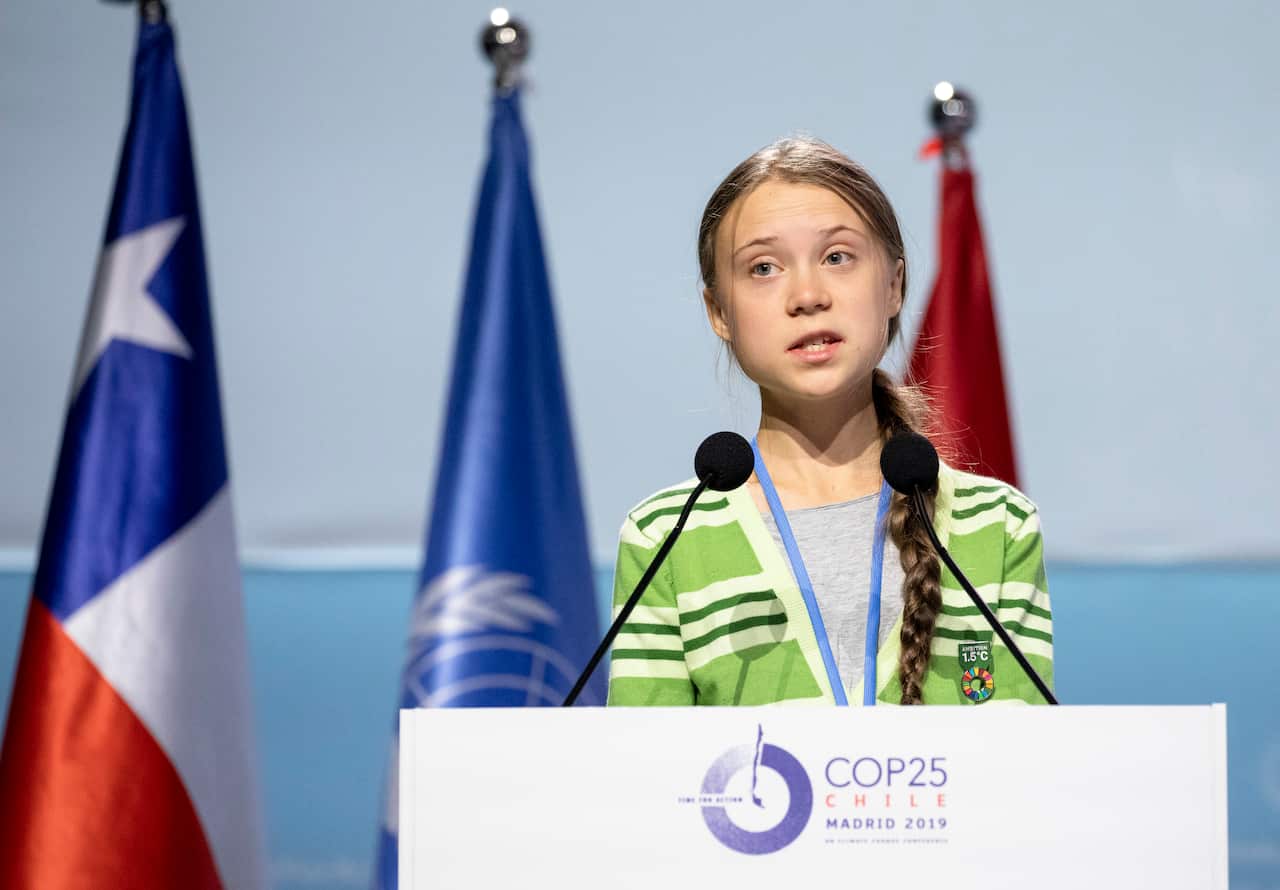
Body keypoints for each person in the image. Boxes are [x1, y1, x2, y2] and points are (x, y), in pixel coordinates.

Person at [606, 136, 1052, 707]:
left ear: (893, 286)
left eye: (837, 257)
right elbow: (647, 759)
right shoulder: (666, 538)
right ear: (719, 312)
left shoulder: (999, 526)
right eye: (763, 267)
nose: (808, 295)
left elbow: (1026, 754)